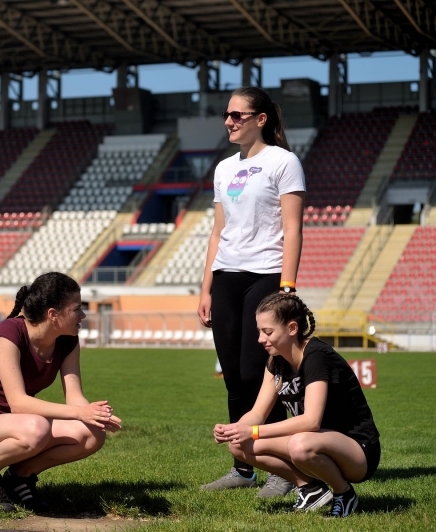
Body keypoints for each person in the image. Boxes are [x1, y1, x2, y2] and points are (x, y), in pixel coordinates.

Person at [198, 86, 306, 497]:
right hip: (226, 277)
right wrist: (206, 286)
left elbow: (294, 228)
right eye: (227, 114)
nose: (229, 121)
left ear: (261, 119)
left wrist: (287, 288)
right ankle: (243, 468)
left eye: (237, 115)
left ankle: (281, 467)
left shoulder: (284, 162)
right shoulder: (224, 168)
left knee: (256, 372)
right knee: (232, 379)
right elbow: (218, 231)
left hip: (266, 275)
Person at [0, 272, 122, 512]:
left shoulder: (67, 340)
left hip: (20, 424)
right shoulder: (8, 333)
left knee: (93, 433)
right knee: (36, 427)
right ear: (53, 314)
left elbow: (75, 398)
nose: (83, 315)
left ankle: (20, 476)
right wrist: (79, 412)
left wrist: (95, 415)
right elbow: (18, 403)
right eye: (77, 309)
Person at [213, 293, 381, 517]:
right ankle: (310, 490)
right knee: (238, 446)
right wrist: (233, 430)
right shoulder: (276, 362)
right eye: (259, 331)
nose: (260, 339)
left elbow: (311, 421)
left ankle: (344, 493)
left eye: (268, 332)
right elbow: (257, 413)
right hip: (316, 442)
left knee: (299, 444)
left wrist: (252, 431)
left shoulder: (317, 357)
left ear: (292, 328)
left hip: (357, 452)